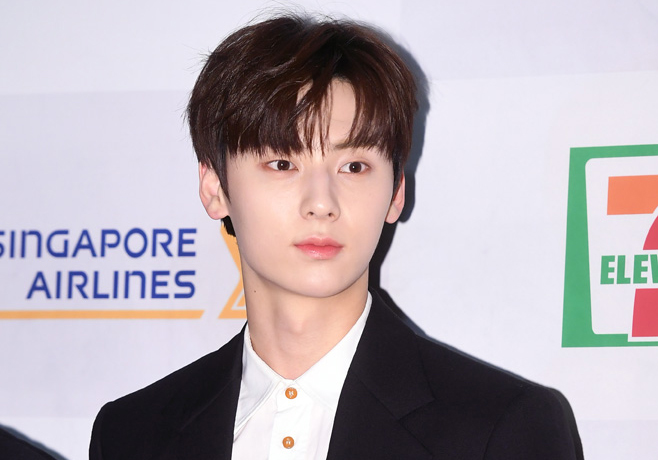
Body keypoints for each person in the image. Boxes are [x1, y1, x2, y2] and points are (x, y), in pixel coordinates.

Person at [89, 13, 582, 459]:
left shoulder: (502, 428)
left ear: (395, 192)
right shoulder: (132, 434)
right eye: (282, 163)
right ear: (215, 188)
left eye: (354, 166)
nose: (321, 202)